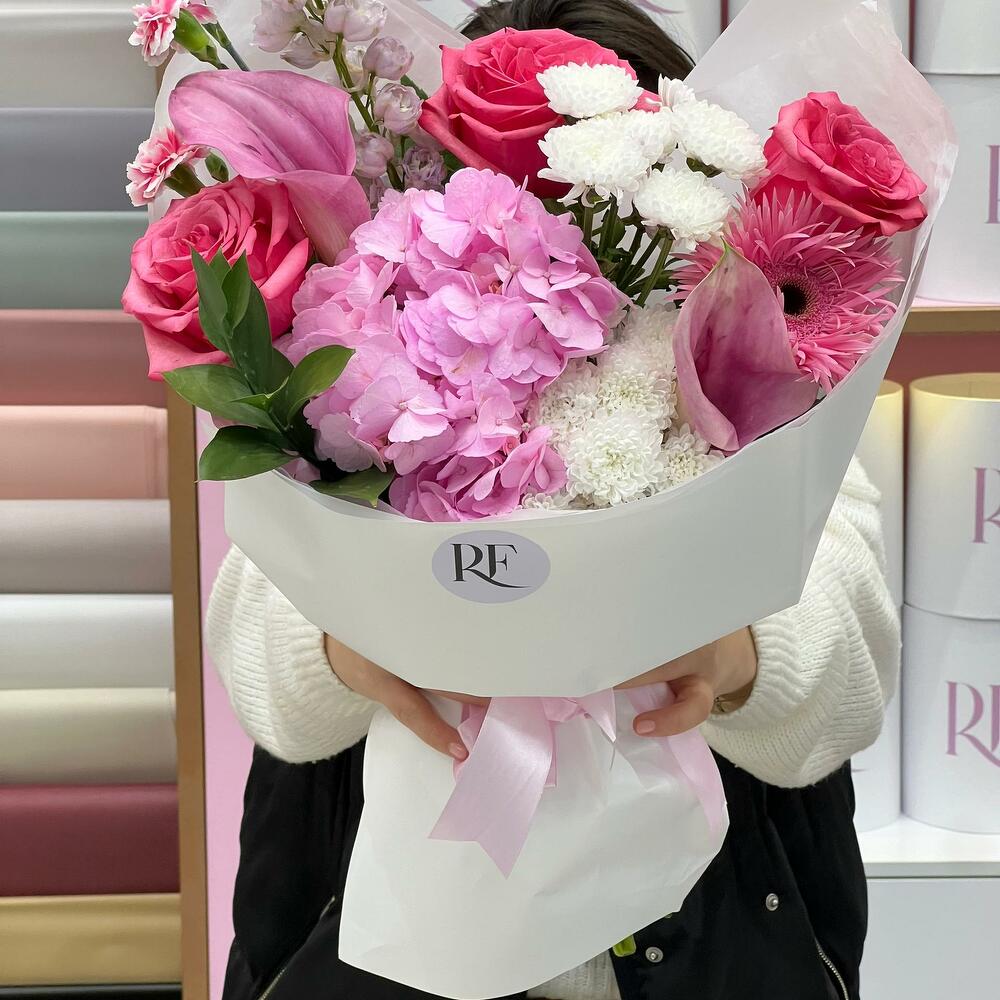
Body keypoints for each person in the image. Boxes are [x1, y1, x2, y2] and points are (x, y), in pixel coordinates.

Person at [207, 3, 900, 999]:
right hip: (380, 944)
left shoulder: (765, 372)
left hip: (718, 937)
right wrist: (343, 640)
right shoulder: (362, 364)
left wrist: (732, 655)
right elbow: (258, 648)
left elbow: (850, 665)